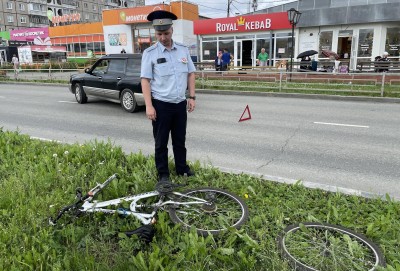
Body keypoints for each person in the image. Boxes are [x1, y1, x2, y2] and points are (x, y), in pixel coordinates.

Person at [141, 10, 196, 185]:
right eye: (159, 34)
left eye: (166, 33)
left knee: (180, 140)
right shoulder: (150, 53)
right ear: (155, 33)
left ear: (172, 30)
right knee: (161, 142)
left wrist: (192, 96)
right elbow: (145, 80)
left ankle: (182, 168)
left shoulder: (183, 50)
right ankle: (163, 174)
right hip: (161, 105)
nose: (163, 37)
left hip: (180, 104)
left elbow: (191, 74)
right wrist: (149, 106)